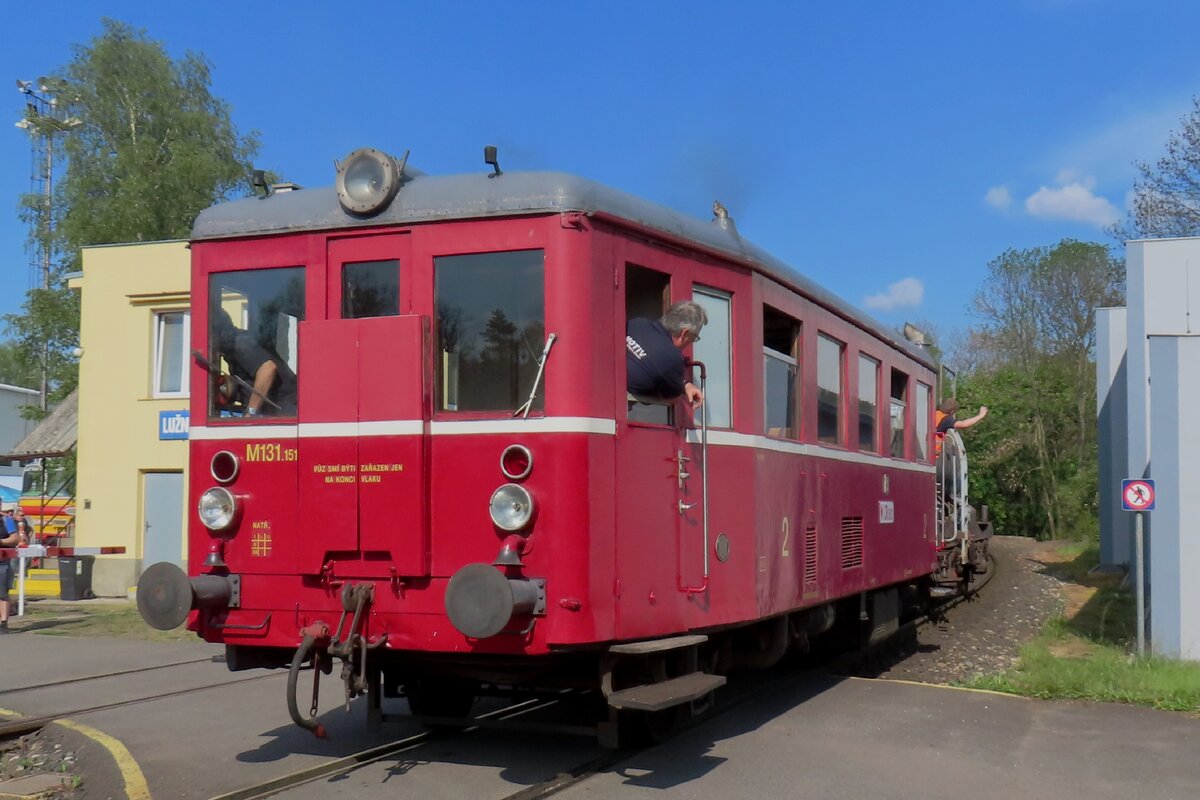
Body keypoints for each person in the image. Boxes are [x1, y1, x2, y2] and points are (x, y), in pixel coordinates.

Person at [212, 309, 297, 416]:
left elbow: (268, 369)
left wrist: (251, 412)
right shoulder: (231, 352)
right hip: (277, 410)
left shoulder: (241, 344)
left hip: (287, 409)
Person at [626, 300, 708, 408]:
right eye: (694, 338)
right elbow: (672, 400)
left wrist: (685, 384)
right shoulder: (672, 359)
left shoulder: (636, 323)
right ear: (685, 333)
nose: (692, 342)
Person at [0, 515, 29, 633]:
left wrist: (1, 541)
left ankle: (3, 624)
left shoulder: (6, 520)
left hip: (2, 562)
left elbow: (15, 538)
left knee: (2, 594)